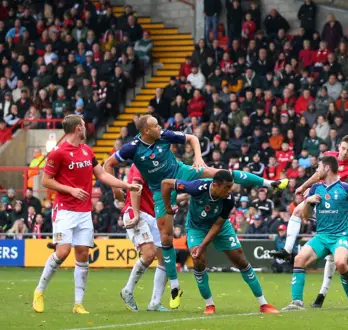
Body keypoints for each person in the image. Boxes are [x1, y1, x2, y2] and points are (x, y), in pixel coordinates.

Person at [103, 114, 287, 309]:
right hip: (161, 190)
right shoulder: (132, 148)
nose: (160, 128)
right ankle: (175, 287)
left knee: (220, 173)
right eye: (156, 126)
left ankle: (269, 183)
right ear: (146, 131)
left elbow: (192, 138)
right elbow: (108, 164)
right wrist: (117, 192)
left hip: (182, 174)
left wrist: (198, 158)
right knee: (165, 238)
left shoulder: (164, 135)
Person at [33, 115, 141, 314]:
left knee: (83, 255)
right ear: (77, 129)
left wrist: (125, 184)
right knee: (63, 252)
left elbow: (102, 175)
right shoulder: (58, 153)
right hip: (65, 210)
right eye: (83, 125)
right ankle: (39, 291)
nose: (86, 128)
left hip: (84, 212)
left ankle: (78, 303)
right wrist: (71, 190)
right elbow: (46, 181)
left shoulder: (87, 150)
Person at [160, 170, 283, 314]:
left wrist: (203, 245)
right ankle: (209, 305)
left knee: (240, 258)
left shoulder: (229, 199)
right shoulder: (196, 187)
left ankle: (264, 304)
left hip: (220, 227)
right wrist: (168, 208)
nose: (230, 191)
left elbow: (217, 226)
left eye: (231, 187)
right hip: (196, 228)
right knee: (198, 260)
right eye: (227, 187)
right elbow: (165, 183)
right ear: (215, 185)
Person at [281, 156, 348, 311]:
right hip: (321, 237)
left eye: (318, 168)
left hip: (340, 237)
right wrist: (309, 202)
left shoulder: (346, 188)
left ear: (327, 168)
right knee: (299, 259)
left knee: (341, 263)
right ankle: (297, 303)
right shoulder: (316, 188)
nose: (317, 171)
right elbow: (306, 215)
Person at [273, 135, 348, 309]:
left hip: (334, 209)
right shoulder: (329, 156)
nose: (344, 152)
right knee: (297, 211)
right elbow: (317, 174)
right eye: (343, 148)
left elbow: (347, 190)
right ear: (339, 146)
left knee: (334, 258)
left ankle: (322, 294)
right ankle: (287, 249)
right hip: (319, 200)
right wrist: (305, 187)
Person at [119, 164, 174, 312]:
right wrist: (136, 214)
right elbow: (135, 187)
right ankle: (127, 290)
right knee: (149, 254)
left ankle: (155, 303)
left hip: (154, 214)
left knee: (166, 258)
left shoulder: (163, 163)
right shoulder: (141, 161)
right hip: (138, 212)